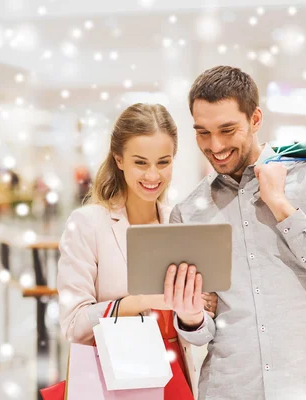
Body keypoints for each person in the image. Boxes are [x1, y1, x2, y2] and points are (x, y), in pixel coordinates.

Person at [168, 66, 306, 400]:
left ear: (255, 119)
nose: (215, 145)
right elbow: (199, 335)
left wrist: (282, 207)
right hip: (228, 389)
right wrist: (190, 317)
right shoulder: (189, 212)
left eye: (227, 130)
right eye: (203, 132)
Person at [56, 103, 217, 399]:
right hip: (117, 380)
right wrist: (140, 300)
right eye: (140, 162)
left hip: (175, 376)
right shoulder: (88, 224)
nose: (153, 175)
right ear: (119, 159)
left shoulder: (179, 222)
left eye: (163, 162)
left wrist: (192, 312)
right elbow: (73, 325)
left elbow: (199, 330)